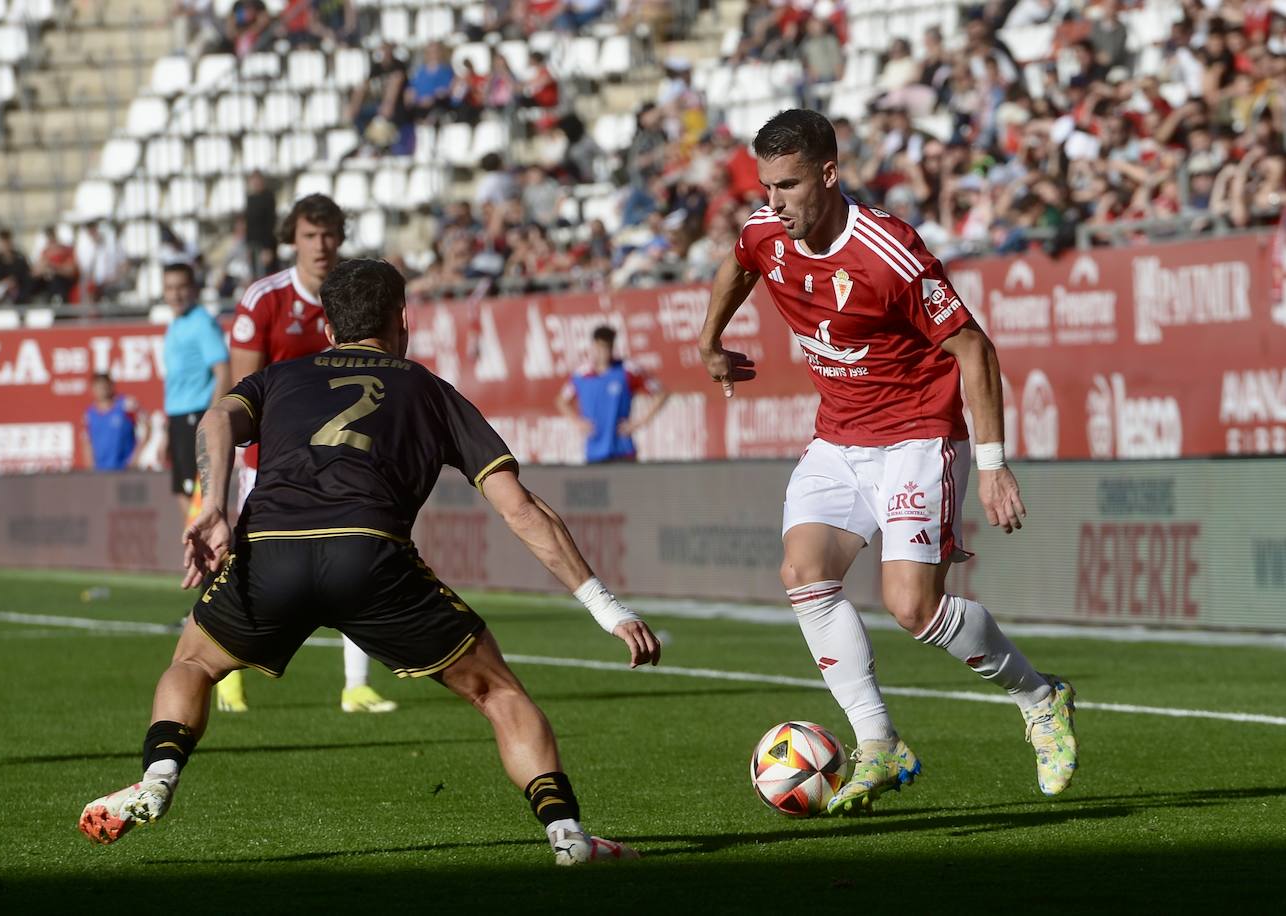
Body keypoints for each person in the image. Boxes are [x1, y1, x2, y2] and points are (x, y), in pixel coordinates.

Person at [77, 258, 660, 866]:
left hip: (271, 551)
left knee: (193, 661)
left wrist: (215, 504)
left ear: (329, 328)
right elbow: (520, 509)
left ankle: (159, 778)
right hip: (370, 557)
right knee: (498, 693)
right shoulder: (430, 390)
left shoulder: (279, 378)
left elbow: (217, 417)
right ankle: (568, 837)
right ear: (401, 322)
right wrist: (605, 607)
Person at [697, 109, 1078, 814]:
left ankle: (1040, 696)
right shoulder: (765, 232)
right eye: (766, 186)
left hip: (916, 436)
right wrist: (709, 340)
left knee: (912, 608)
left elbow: (974, 348)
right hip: (838, 439)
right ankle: (879, 742)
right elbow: (739, 262)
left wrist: (991, 464)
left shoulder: (889, 252)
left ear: (829, 175)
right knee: (803, 573)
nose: (773, 202)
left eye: (788, 185)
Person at [226, 193, 393, 717]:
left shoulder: (356, 291)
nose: (320, 245)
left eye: (329, 234)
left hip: (344, 453)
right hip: (272, 461)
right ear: (291, 238)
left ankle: (356, 685)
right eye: (309, 235)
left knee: (363, 559)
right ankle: (227, 671)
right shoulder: (264, 299)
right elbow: (242, 389)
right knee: (249, 566)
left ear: (341, 236)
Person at [161, 262, 231, 518]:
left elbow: (223, 370)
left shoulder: (201, 322)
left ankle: (214, 555)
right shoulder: (176, 324)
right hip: (178, 416)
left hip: (196, 414)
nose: (176, 294)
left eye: (181, 287)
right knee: (183, 490)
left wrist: (210, 419)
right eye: (170, 288)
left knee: (199, 494)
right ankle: (200, 554)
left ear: (193, 289)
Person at [556, 326, 669, 464]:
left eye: (606, 348)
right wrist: (577, 422)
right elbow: (562, 401)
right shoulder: (581, 375)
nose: (602, 353)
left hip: (623, 449)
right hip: (594, 451)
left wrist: (639, 422)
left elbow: (661, 393)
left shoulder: (627, 370)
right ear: (592, 347)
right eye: (598, 348)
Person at [82, 373, 139, 472]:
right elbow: (87, 442)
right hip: (100, 471)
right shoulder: (89, 415)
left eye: (104, 386)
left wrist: (134, 459)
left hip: (124, 469)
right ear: (92, 389)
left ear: (111, 386)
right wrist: (91, 469)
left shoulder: (126, 406)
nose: (101, 390)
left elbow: (146, 428)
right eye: (98, 387)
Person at [0, 230, 32, 306]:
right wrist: (5, 283)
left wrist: (14, 284)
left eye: (5, 243)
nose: (4, 246)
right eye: (2, 243)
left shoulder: (19, 258)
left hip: (19, 290)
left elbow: (27, 275)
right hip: (4, 289)